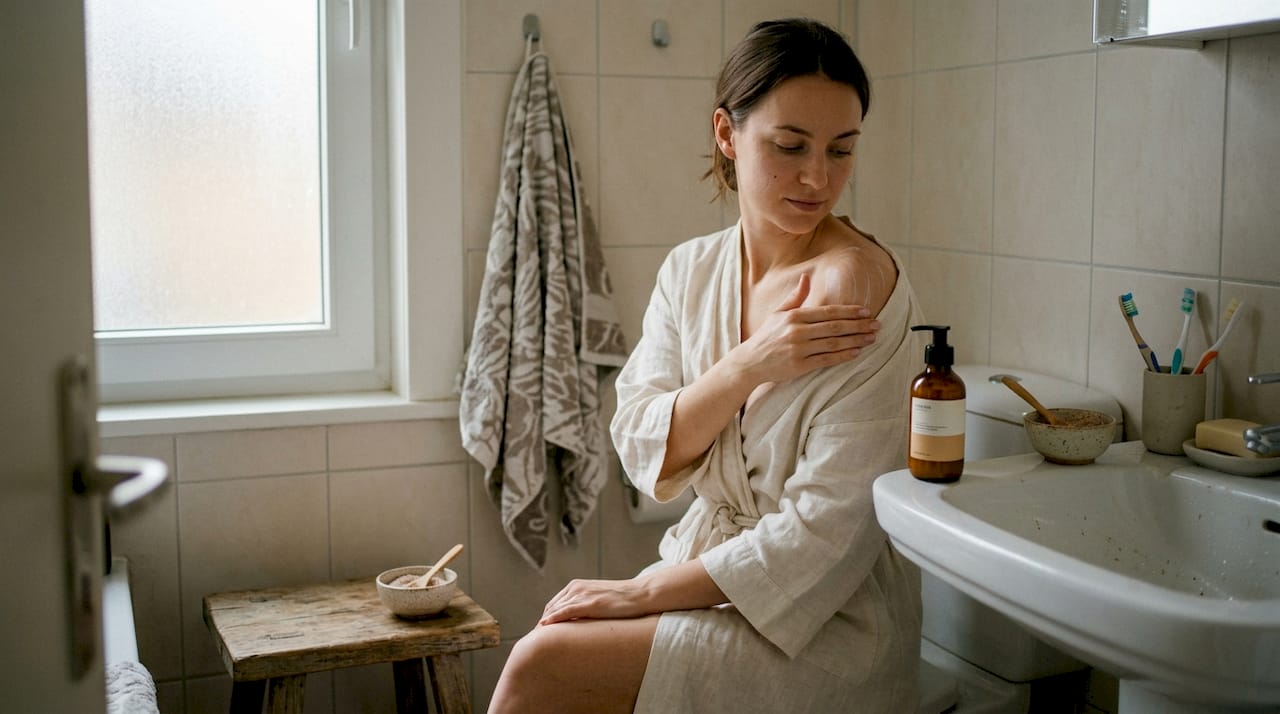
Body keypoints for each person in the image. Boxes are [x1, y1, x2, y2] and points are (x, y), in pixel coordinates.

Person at [488, 18, 925, 713]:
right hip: (712, 576)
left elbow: (830, 531)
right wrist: (746, 365)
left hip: (830, 622)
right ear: (727, 133)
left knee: (539, 665)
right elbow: (638, 439)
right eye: (790, 146)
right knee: (553, 645)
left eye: (842, 150)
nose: (819, 177)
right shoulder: (691, 272)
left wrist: (642, 591)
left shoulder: (856, 291)